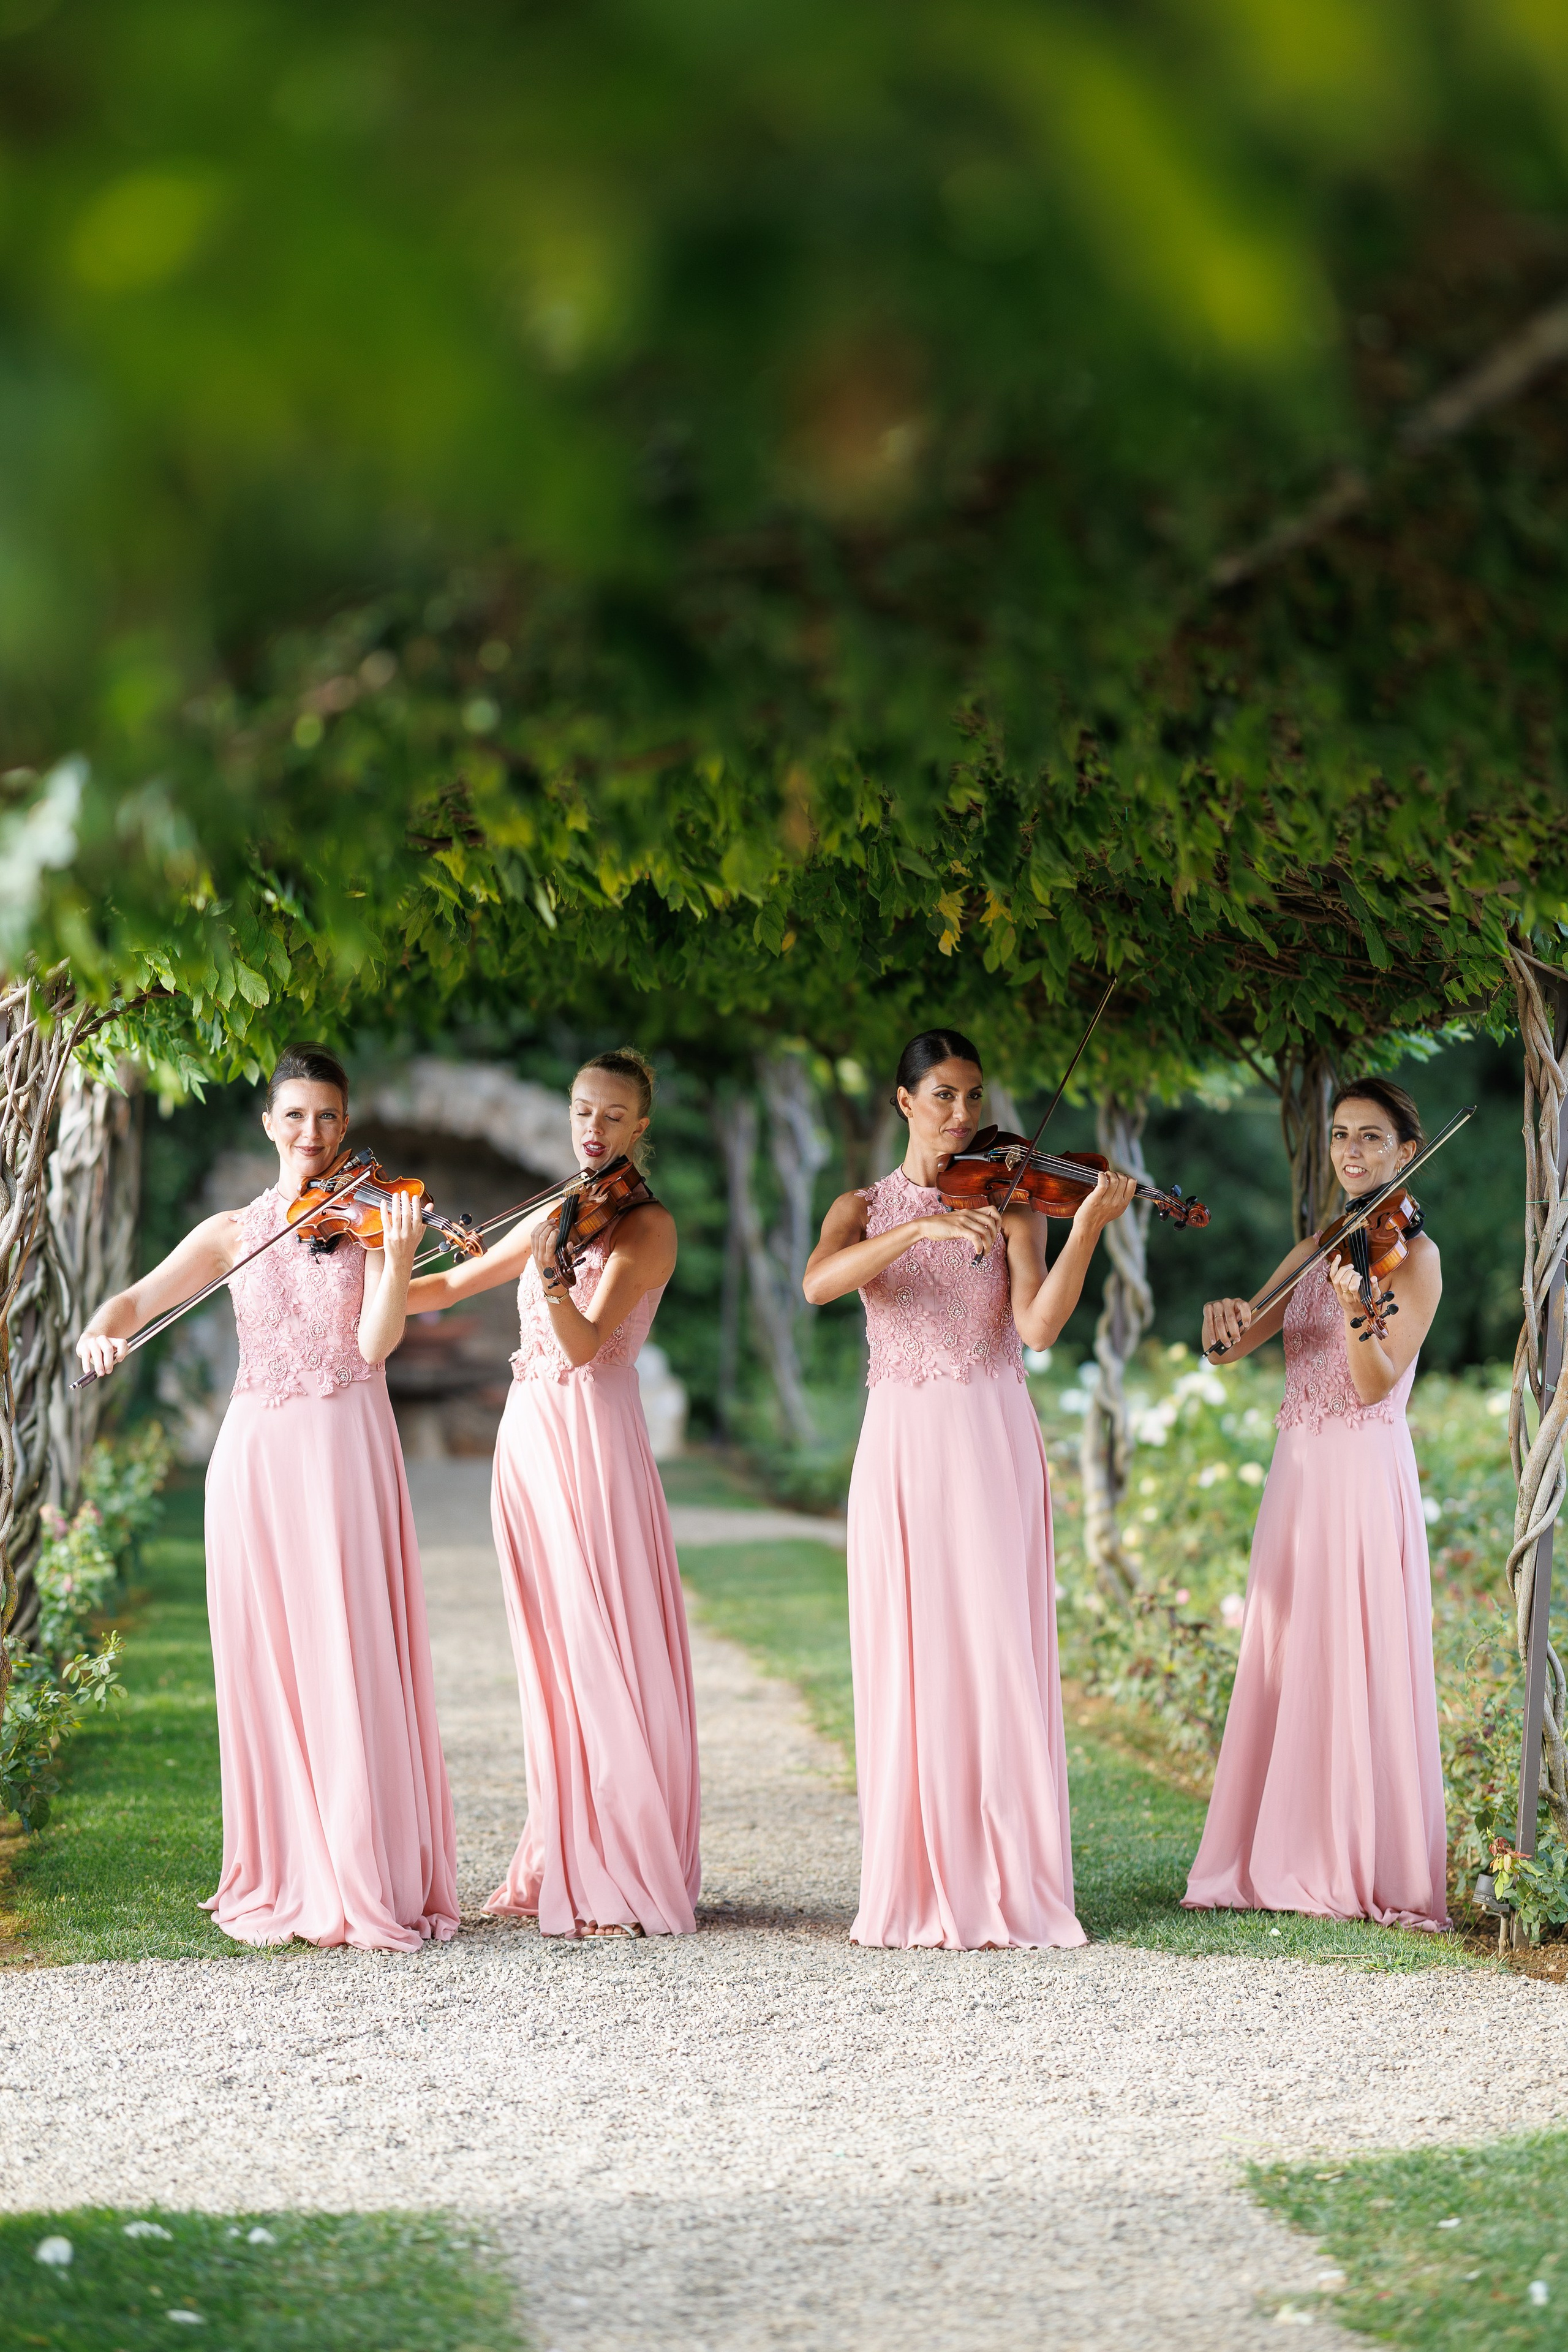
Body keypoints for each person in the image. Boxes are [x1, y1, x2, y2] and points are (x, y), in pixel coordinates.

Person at [76, 1044, 459, 1953]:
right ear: (268, 1125)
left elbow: (372, 1349)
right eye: (295, 1115)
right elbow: (132, 1300)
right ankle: (289, 1866)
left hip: (345, 1448)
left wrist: (398, 1263)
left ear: (346, 1125)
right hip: (256, 1455)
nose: (313, 1133)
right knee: (275, 1661)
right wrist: (98, 1334)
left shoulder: (372, 1223)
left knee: (352, 1649)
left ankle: (365, 1870)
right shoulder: (230, 1231)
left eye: (328, 1116)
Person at [802, 1029, 1137, 1950]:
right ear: (905, 1102)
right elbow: (819, 1285)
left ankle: (1008, 1876)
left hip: (990, 1435)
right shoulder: (861, 1206)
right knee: (910, 1652)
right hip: (903, 1445)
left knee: (996, 1650)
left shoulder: (1018, 1209)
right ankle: (915, 1875)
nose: (963, 1115)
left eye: (974, 1098)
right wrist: (920, 1227)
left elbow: (1036, 1330)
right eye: (944, 1097)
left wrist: (1086, 1234)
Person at [404, 1047, 698, 1938]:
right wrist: (363, 1286)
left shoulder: (645, 1228)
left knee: (596, 1640)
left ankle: (622, 1859)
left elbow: (580, 1345)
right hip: (529, 1441)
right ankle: (570, 1837)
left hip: (593, 1438)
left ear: (639, 1127)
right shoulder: (558, 1208)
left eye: (613, 1116)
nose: (593, 1129)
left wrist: (550, 1268)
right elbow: (451, 1284)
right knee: (552, 1655)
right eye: (582, 1110)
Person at [1185, 1078, 1447, 1931]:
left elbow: (1375, 1385)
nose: (1351, 1153)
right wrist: (1220, 1321)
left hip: (1363, 1473)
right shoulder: (1314, 1248)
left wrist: (1354, 1307)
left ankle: (1341, 1856)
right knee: (1289, 1653)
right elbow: (1234, 1345)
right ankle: (1272, 1852)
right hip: (1298, 1472)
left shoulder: (1417, 1257)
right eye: (1341, 1136)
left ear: (1407, 1153)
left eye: (1372, 1138)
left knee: (1350, 1655)